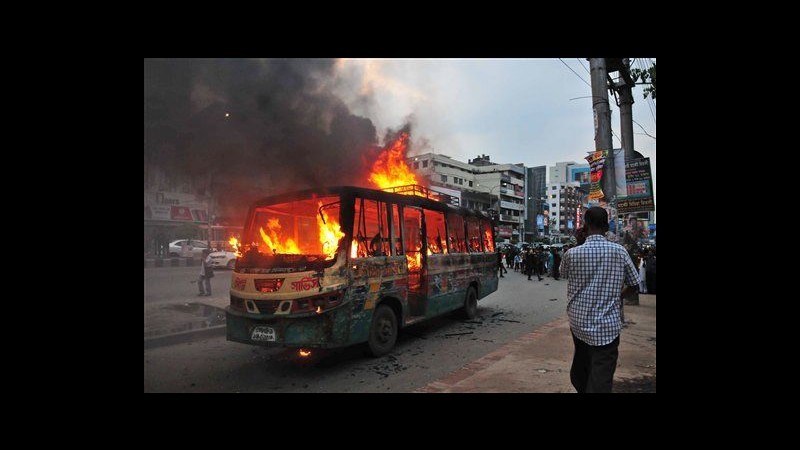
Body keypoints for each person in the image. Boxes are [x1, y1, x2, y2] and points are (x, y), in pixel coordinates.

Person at [560, 207, 640, 393]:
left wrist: (578, 243)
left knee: (582, 361)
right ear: (606, 226)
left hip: (578, 322)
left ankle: (582, 385)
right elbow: (634, 284)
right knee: (601, 373)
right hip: (606, 325)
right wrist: (616, 296)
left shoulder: (573, 253)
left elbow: (562, 273)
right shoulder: (619, 251)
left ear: (585, 225)